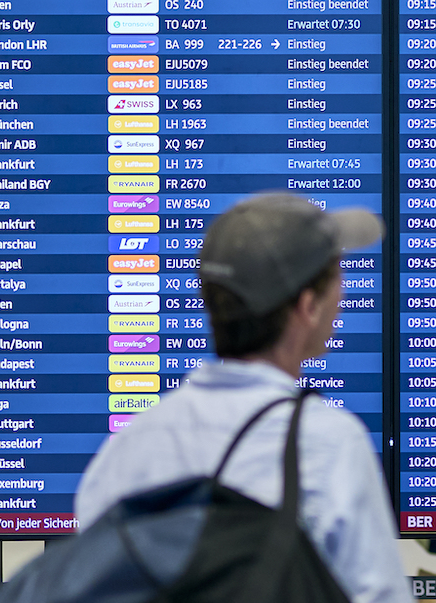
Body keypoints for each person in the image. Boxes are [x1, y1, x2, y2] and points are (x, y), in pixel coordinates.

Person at [75, 193, 413, 603]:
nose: (342, 297)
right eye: (338, 278)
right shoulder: (327, 445)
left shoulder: (125, 449)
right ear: (307, 307)